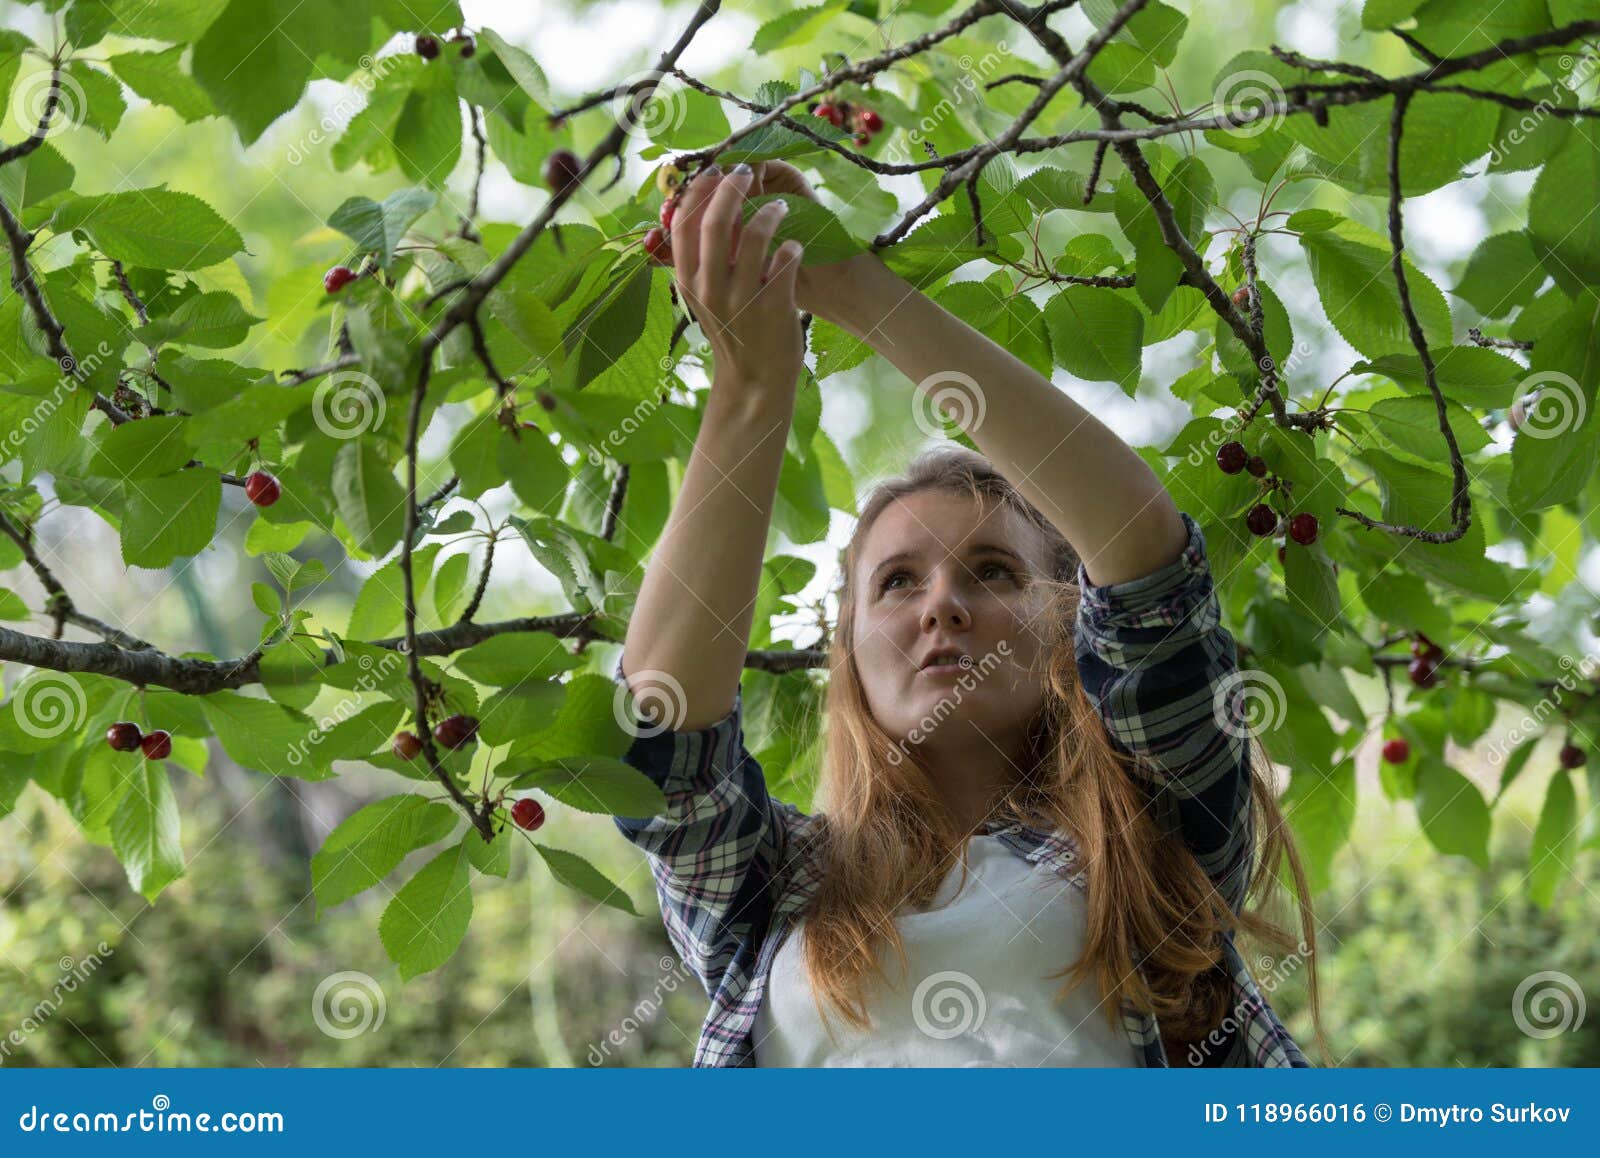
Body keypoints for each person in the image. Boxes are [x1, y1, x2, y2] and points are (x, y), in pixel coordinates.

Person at [610, 159, 1322, 1068]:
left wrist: (860, 292)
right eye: (897, 582)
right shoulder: (777, 887)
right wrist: (752, 383)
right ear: (850, 649)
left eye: (992, 571)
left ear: (1068, 625)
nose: (943, 602)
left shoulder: (1150, 836)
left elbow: (1145, 565)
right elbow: (663, 748)